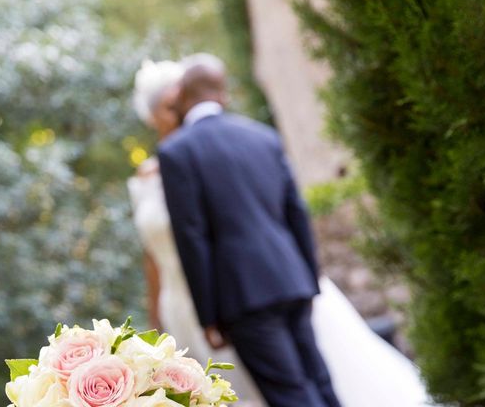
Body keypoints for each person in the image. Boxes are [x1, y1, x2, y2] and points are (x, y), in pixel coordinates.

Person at [129, 57, 431, 407]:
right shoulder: (262, 136)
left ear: (183, 96)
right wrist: (310, 276)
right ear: (222, 95)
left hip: (241, 295)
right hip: (292, 279)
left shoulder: (177, 153)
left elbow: (193, 238)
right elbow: (296, 213)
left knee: (289, 394)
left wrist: (208, 316)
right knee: (320, 381)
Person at [128, 60, 265, 407]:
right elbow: (151, 255)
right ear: (153, 115)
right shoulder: (144, 176)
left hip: (223, 294)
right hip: (177, 305)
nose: (178, 110)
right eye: (168, 105)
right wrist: (154, 324)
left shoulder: (203, 158)